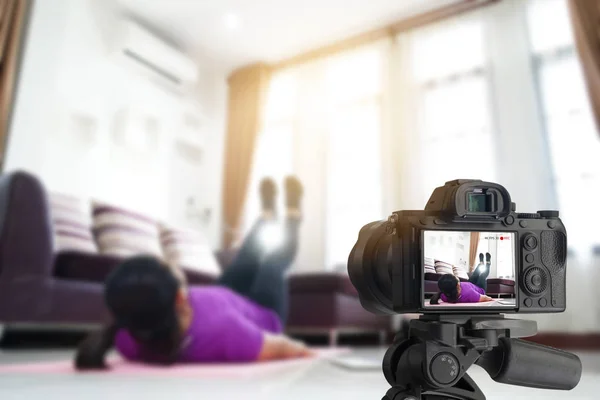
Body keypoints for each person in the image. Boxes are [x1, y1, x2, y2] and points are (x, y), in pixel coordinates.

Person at [75, 176, 313, 369]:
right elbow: (283, 347)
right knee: (272, 262)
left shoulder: (125, 338)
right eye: (177, 275)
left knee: (245, 258)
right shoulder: (229, 333)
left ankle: (265, 219)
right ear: (179, 297)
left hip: (225, 294)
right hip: (262, 311)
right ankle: (293, 218)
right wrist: (308, 353)